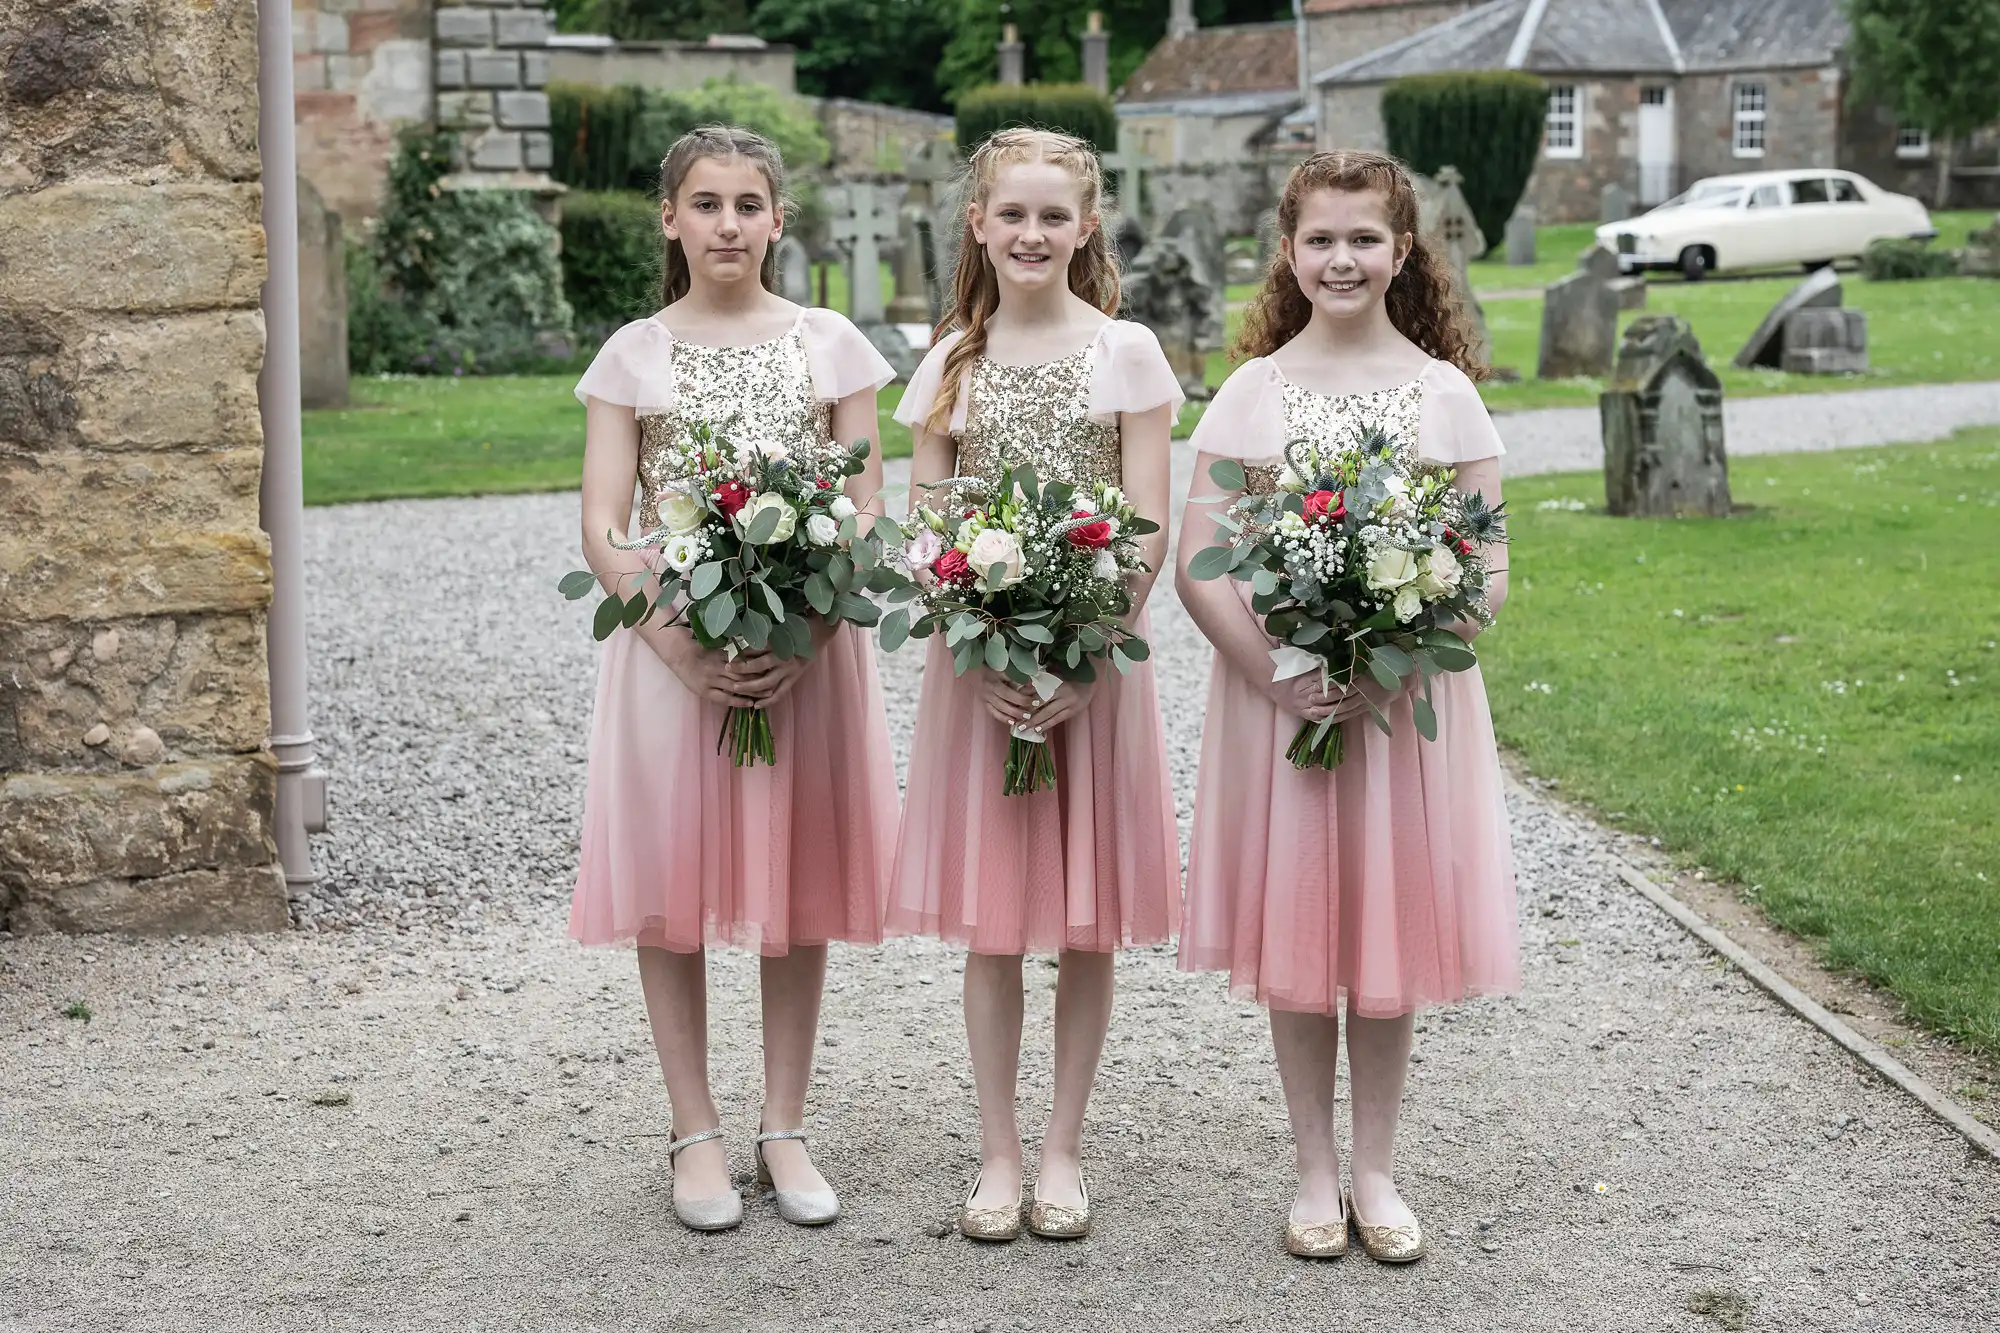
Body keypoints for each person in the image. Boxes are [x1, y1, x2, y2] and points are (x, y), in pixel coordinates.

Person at [1176, 150, 1521, 1261]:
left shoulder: (1443, 393)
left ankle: (1375, 1169)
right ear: (1288, 253)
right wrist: (1279, 673)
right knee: (1299, 923)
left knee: (1381, 928)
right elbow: (1197, 563)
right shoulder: (1248, 392)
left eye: (1363, 238)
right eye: (1319, 239)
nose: (1340, 258)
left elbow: (1488, 562)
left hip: (1392, 713)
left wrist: (1396, 662)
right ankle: (1312, 1167)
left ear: (1402, 252)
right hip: (1277, 710)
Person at [568, 126, 900, 1233]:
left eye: (746, 204)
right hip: (673, 650)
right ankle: (694, 1127)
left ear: (775, 219)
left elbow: (860, 508)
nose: (726, 224)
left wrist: (799, 632)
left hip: (803, 647)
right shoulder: (633, 354)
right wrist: (677, 643)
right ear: (669, 219)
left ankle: (785, 1122)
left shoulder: (830, 343)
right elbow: (604, 526)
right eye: (704, 204)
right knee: (672, 884)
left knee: (792, 880)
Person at [887, 129, 1183, 1242]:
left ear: (1086, 225)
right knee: (995, 923)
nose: (1030, 234)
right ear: (977, 224)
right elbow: (926, 523)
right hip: (979, 675)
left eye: (1052, 216)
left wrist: (1083, 652)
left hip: (1092, 674)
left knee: (1084, 918)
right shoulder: (949, 359)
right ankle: (999, 1153)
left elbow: (1143, 524)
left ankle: (1062, 1148)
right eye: (1010, 214)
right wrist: (980, 634)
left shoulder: (1128, 353)